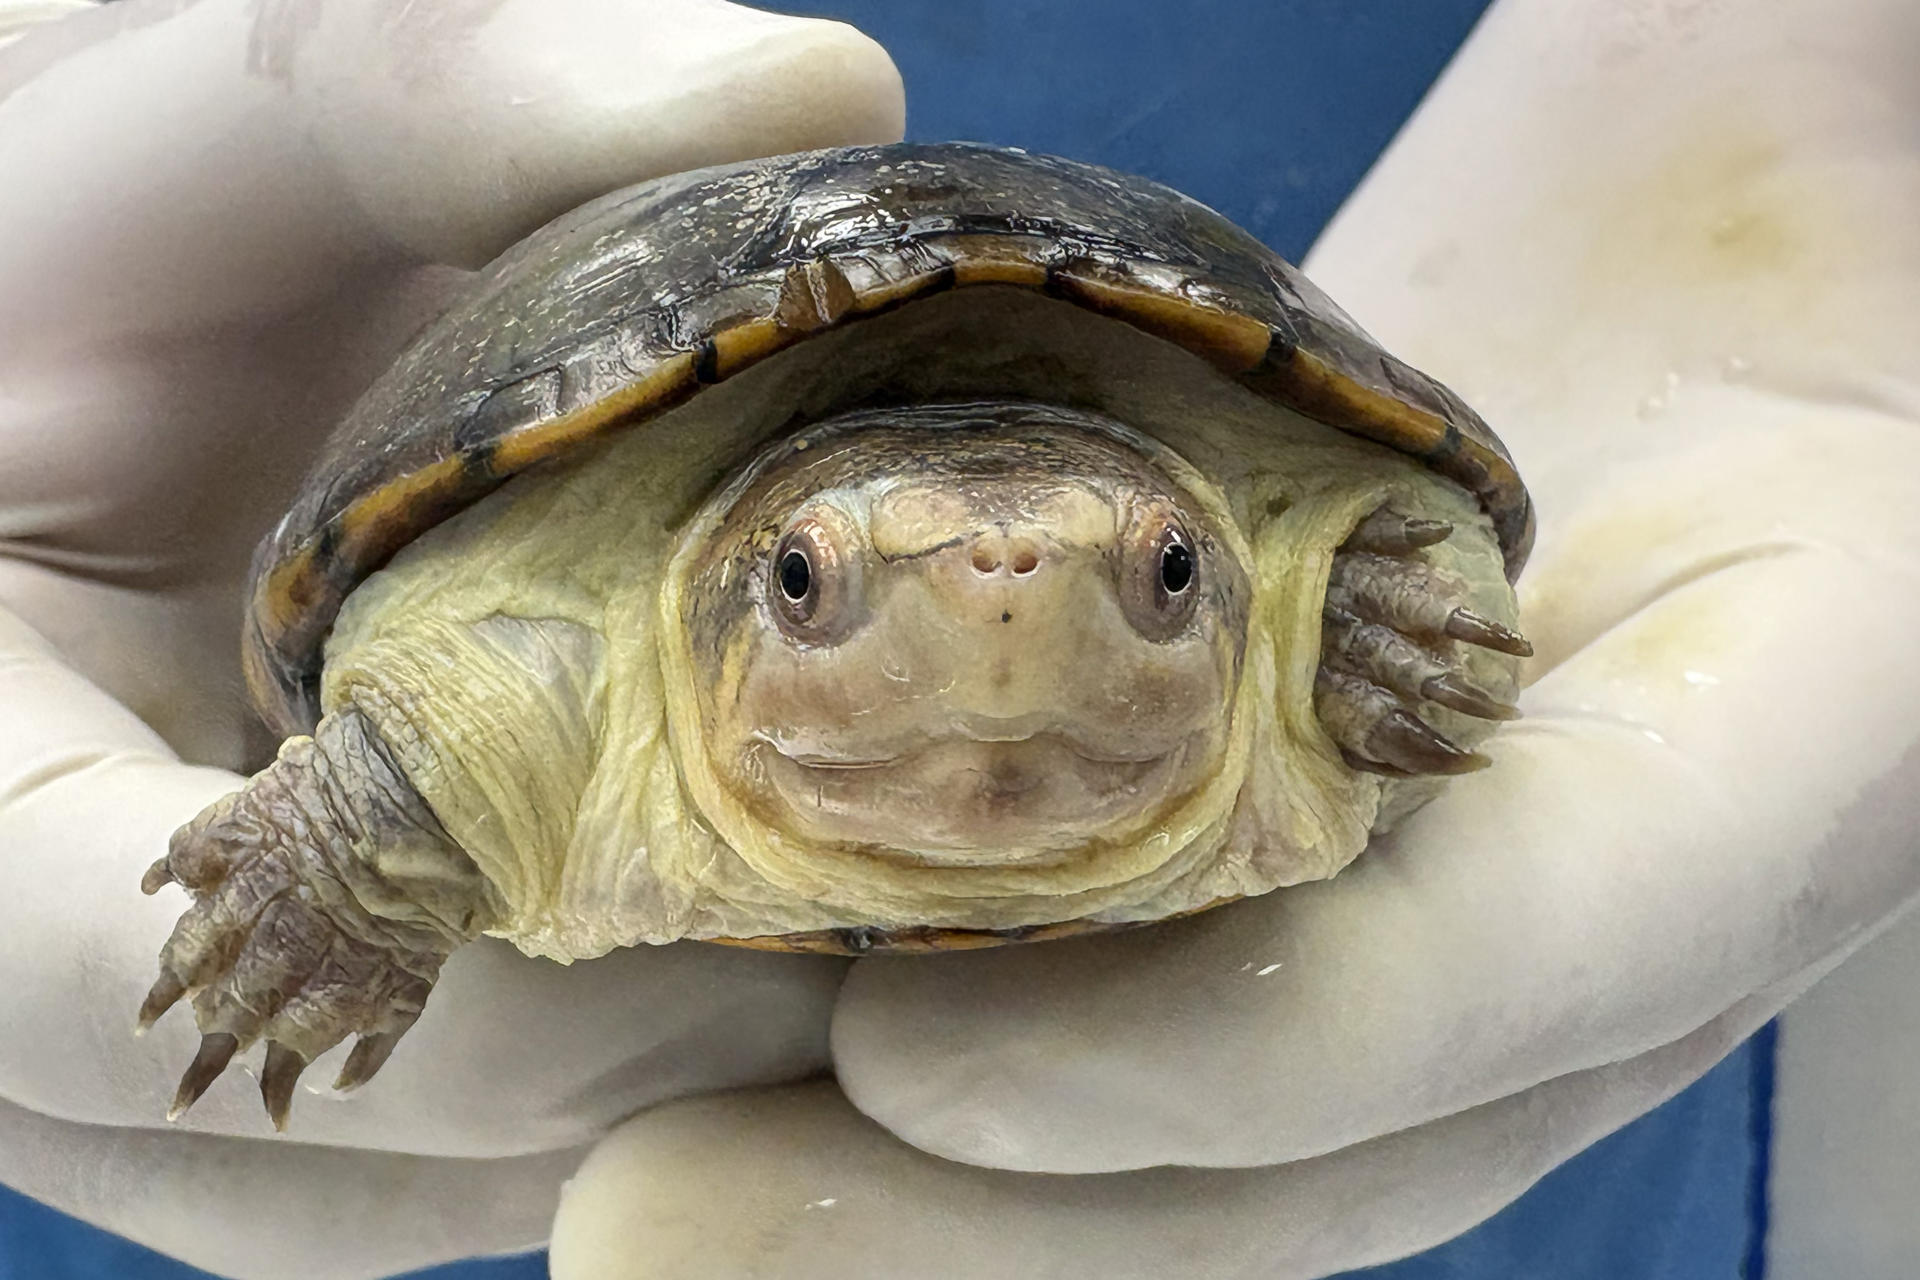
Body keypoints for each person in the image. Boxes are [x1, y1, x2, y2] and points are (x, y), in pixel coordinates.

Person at [1, 0, 1915, 1276]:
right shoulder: (543, 660)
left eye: (1169, 579)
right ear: (724, 586)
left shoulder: (1306, 573)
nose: (1001, 630)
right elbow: (400, 706)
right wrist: (323, 876)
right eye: (816, 588)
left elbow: (1402, 538)